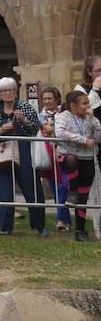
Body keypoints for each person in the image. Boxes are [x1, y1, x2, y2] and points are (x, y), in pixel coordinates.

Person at [0, 78, 45, 236]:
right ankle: (5, 227)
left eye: (10, 90)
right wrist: (0, 131)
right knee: (4, 189)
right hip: (3, 151)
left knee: (31, 187)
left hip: (23, 149)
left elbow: (35, 128)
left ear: (16, 91)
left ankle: (40, 226)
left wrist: (23, 120)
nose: (8, 93)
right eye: (4, 90)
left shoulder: (25, 106)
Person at [54, 90, 100, 241]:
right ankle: (72, 191)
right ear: (73, 106)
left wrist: (93, 120)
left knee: (83, 196)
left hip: (87, 158)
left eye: (88, 103)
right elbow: (60, 133)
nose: (88, 106)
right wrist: (82, 139)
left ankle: (80, 230)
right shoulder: (62, 117)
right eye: (84, 103)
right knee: (71, 159)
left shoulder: (89, 117)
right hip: (69, 157)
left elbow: (98, 135)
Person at [37, 87, 72, 233]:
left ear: (57, 99)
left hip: (64, 153)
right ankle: (64, 221)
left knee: (63, 186)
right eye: (44, 99)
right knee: (55, 189)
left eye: (49, 98)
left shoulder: (64, 115)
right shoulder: (40, 116)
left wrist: (54, 132)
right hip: (48, 155)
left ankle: (60, 218)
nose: (46, 101)